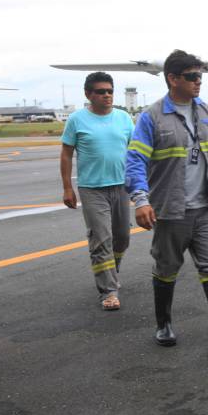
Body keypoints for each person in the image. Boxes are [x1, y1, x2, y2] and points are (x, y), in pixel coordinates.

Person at [125, 49, 208, 351]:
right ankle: (164, 325)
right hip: (172, 209)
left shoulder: (207, 112)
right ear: (172, 79)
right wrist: (141, 200)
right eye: (192, 77)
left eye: (201, 76)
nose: (199, 82)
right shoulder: (152, 117)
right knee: (167, 266)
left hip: (207, 207)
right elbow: (135, 161)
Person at [60, 72, 134, 310]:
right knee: (101, 239)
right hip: (92, 189)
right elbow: (66, 154)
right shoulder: (77, 120)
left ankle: (113, 271)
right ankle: (109, 291)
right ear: (88, 94)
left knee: (122, 237)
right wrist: (67, 188)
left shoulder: (124, 118)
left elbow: (135, 152)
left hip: (121, 186)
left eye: (110, 91)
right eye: (101, 91)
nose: (107, 95)